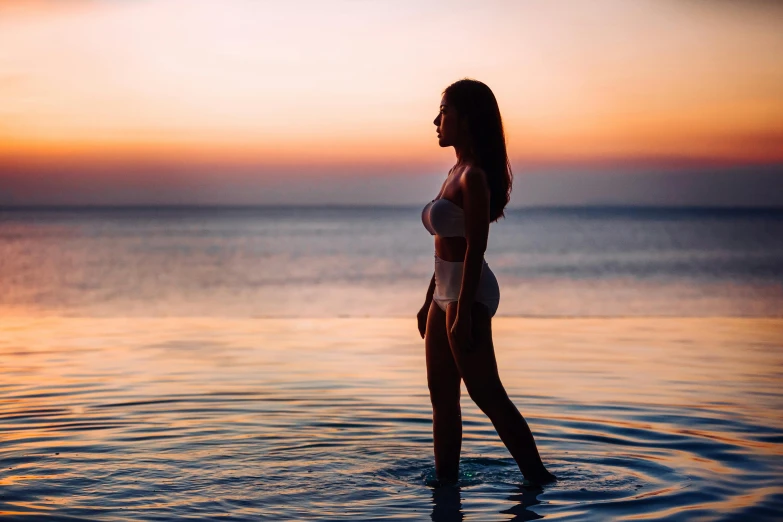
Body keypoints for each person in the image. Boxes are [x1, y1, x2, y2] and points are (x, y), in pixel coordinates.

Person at [418, 78, 556, 486]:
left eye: (443, 112)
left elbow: (476, 247)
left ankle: (538, 478)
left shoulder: (474, 177)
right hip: (446, 292)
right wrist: (430, 300)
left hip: (469, 294)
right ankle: (445, 488)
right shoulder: (453, 171)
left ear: (466, 117)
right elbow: (445, 246)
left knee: (488, 395)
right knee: (442, 401)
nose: (436, 120)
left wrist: (460, 312)